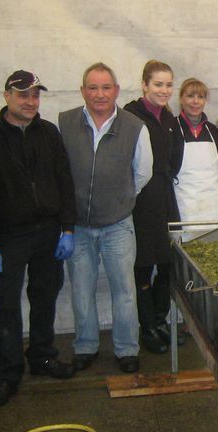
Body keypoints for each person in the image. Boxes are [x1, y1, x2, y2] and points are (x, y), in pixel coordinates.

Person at [0, 70, 77, 408]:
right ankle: (6, 374)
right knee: (6, 304)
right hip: (9, 235)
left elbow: (64, 181)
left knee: (45, 295)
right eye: (22, 95)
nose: (30, 101)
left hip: (47, 231)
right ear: (6, 97)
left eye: (35, 95)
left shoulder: (49, 133)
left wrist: (68, 228)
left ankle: (43, 356)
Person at [59, 63, 153, 374]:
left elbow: (143, 172)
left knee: (124, 291)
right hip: (78, 227)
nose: (99, 94)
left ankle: (126, 348)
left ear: (116, 90)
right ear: (83, 90)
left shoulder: (135, 126)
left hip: (117, 225)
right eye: (93, 87)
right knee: (81, 289)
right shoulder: (65, 123)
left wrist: (121, 200)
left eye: (105, 87)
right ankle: (85, 346)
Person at [123, 60, 184, 355]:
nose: (164, 90)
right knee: (143, 264)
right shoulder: (131, 118)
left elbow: (176, 156)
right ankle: (146, 326)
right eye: (158, 84)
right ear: (144, 85)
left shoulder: (169, 118)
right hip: (141, 199)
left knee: (169, 263)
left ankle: (160, 320)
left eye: (168, 85)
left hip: (165, 195)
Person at [176, 78, 218, 226]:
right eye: (190, 96)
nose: (195, 102)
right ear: (181, 99)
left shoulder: (214, 130)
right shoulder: (171, 128)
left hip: (212, 204)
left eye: (200, 97)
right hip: (184, 203)